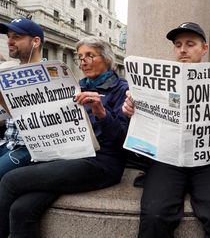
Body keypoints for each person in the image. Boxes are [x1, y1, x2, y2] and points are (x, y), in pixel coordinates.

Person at [123, 22, 210, 238]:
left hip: (208, 163)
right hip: (166, 162)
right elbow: (139, 133)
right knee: (154, 216)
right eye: (177, 45)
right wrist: (131, 112)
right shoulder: (153, 85)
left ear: (204, 49)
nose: (182, 50)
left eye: (190, 44)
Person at [0, 36, 129, 237]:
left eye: (90, 56)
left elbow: (122, 139)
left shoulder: (123, 89)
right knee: (22, 209)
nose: (83, 61)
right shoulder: (76, 85)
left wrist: (101, 113)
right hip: (69, 156)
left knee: (10, 180)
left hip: (101, 163)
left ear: (106, 58)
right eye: (80, 57)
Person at [0, 18, 45, 179]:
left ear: (35, 41)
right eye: (8, 36)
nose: (9, 41)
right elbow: (4, 117)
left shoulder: (54, 74)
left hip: (29, 148)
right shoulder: (7, 72)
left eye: (16, 37)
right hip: (7, 141)